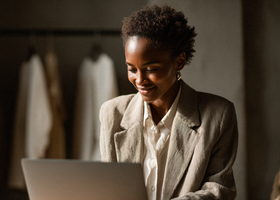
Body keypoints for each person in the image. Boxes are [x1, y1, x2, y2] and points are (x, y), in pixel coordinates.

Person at [99, 4, 238, 200]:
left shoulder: (218, 115)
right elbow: (108, 187)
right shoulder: (112, 113)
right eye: (132, 69)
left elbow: (219, 190)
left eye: (151, 69)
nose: (139, 80)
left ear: (179, 62)